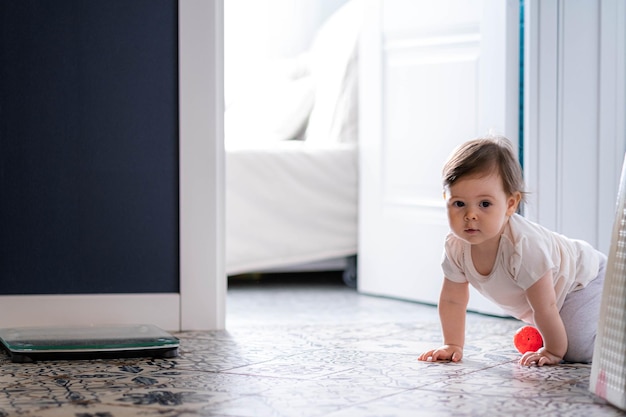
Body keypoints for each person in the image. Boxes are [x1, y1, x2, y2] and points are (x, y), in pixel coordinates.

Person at [417, 135, 607, 366]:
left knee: (577, 349)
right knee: (554, 326)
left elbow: (545, 306)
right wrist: (452, 344)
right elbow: (452, 300)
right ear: (446, 199)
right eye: (459, 204)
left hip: (582, 281)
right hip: (548, 300)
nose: (470, 215)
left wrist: (553, 352)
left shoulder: (524, 246)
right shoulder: (456, 246)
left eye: (484, 204)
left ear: (510, 204)